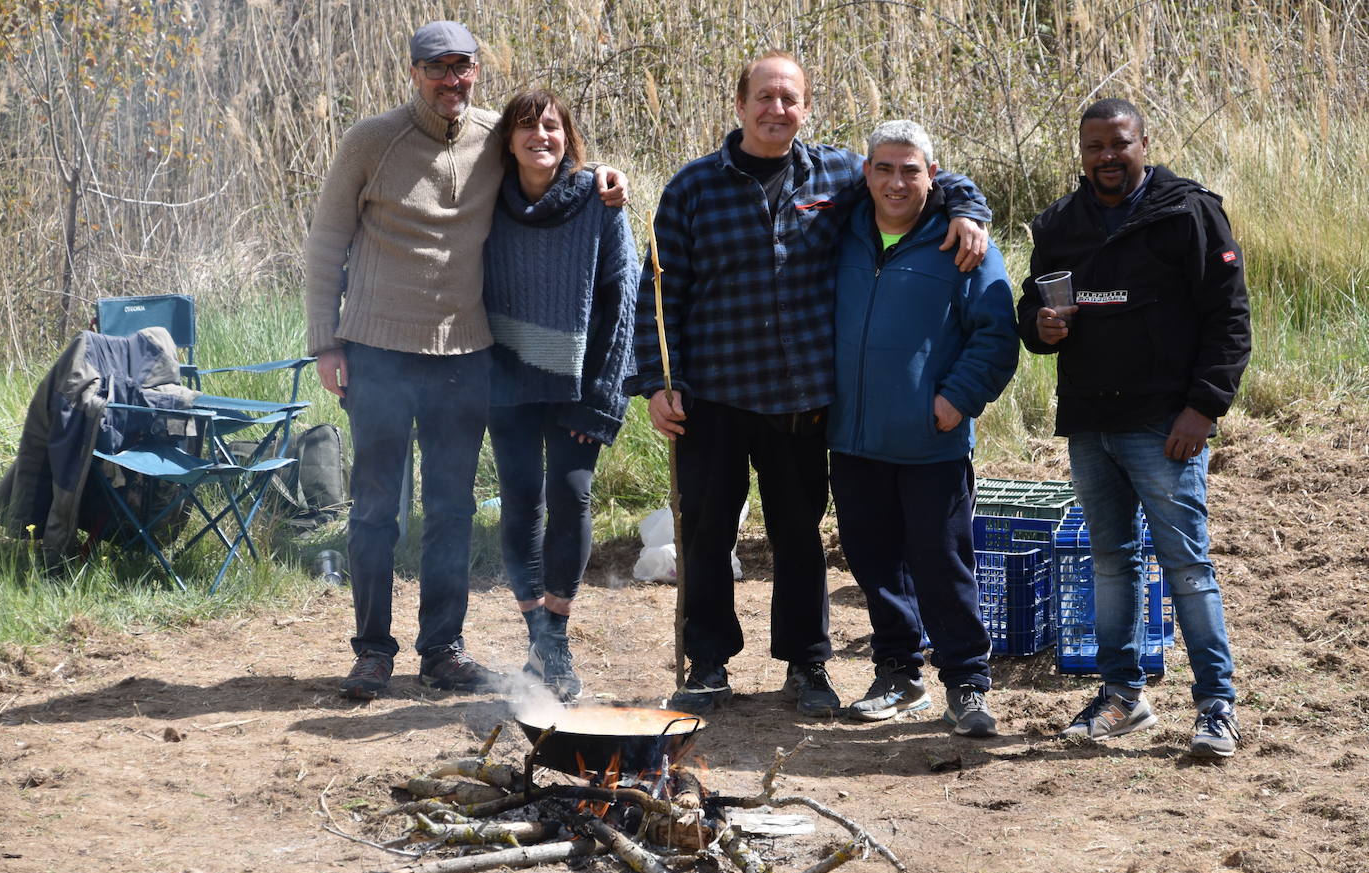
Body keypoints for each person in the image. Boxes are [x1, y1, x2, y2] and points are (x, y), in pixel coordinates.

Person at [626, 49, 992, 717]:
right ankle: (707, 663)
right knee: (707, 532)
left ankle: (807, 665)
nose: (777, 110)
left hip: (802, 399)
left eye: (790, 99)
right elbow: (657, 295)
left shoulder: (839, 174)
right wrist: (656, 383)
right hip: (712, 395)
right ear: (739, 106)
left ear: (806, 108)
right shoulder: (692, 188)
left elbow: (916, 174)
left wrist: (970, 206)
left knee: (800, 536)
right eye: (764, 97)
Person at [304, 21, 626, 700]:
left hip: (464, 355)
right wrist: (324, 343)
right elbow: (327, 243)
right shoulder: (370, 139)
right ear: (415, 72)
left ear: (478, 71)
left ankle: (443, 651)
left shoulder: (492, 138)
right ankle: (371, 650)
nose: (452, 79)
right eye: (438, 67)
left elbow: (550, 174)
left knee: (450, 510)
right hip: (378, 352)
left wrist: (605, 180)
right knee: (375, 510)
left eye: (464, 67)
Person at [1017, 98, 1250, 757]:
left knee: (1186, 564)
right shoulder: (1062, 224)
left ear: (1144, 143)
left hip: (1165, 424)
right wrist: (1040, 325)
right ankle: (1122, 696)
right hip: (1091, 423)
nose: (1107, 157)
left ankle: (1216, 707)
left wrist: (1203, 408)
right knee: (1111, 564)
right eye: (1094, 147)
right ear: (1081, 153)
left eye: (1119, 144)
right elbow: (1032, 306)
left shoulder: (1188, 213)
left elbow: (1229, 319)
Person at [827, 121, 1018, 737]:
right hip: (853, 436)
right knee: (873, 561)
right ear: (866, 173)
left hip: (929, 439)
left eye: (911, 169)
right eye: (884, 168)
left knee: (941, 562)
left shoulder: (963, 244)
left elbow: (996, 333)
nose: (896, 181)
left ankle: (966, 682)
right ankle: (898, 675)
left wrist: (955, 400)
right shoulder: (843, 230)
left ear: (932, 176)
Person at [481, 89, 639, 703]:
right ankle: (538, 639)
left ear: (567, 136)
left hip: (576, 387)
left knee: (570, 498)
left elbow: (620, 302)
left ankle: (558, 634)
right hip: (507, 381)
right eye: (525, 126)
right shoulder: (485, 200)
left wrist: (599, 400)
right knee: (519, 502)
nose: (538, 136)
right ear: (507, 140)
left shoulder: (599, 201)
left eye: (550, 126)